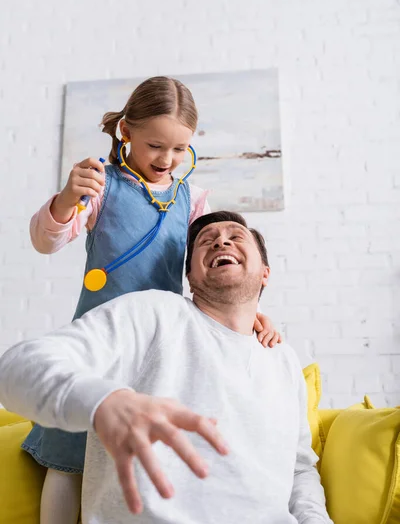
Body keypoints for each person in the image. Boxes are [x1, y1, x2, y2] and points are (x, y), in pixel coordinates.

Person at [24, 77, 280, 524]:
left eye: (180, 149)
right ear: (126, 132)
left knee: (142, 462)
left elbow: (209, 275)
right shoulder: (101, 186)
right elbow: (46, 242)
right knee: (69, 458)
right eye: (155, 145)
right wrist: (67, 199)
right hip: (100, 344)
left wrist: (252, 311)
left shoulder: (192, 201)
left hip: (158, 351)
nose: (167, 159)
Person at [0, 211, 331, 524]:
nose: (220, 241)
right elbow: (16, 368)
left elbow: (300, 469)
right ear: (190, 276)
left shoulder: (282, 359)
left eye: (235, 236)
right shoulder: (154, 314)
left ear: (265, 273)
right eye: (207, 240)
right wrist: (105, 401)